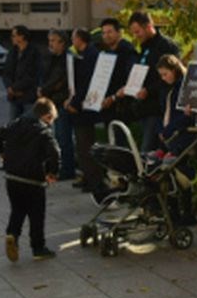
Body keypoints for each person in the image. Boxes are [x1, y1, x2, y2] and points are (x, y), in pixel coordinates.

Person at [0, 97, 61, 262]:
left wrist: (3, 153)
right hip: (33, 179)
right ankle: (38, 247)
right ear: (45, 116)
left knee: (17, 210)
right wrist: (53, 173)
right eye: (50, 119)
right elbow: (55, 153)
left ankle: (12, 235)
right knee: (37, 214)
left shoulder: (15, 124)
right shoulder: (43, 131)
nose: (51, 123)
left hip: (12, 177)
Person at [122, 11, 181, 151]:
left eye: (138, 32)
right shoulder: (144, 47)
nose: (136, 36)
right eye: (133, 33)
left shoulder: (166, 46)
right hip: (145, 107)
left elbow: (172, 77)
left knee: (148, 151)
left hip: (159, 108)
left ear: (149, 26)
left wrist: (148, 90)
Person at [155, 53, 197, 226]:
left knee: (179, 177)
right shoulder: (172, 87)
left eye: (166, 74)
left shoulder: (182, 86)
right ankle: (177, 212)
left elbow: (185, 116)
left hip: (181, 138)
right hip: (173, 137)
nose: (164, 78)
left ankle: (184, 213)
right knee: (172, 176)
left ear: (174, 69)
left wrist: (167, 130)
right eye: (161, 76)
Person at [66, 28, 104, 192]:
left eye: (73, 38)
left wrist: (75, 103)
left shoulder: (90, 55)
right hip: (80, 104)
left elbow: (85, 83)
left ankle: (94, 180)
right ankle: (87, 176)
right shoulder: (82, 54)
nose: (72, 41)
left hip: (85, 107)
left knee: (86, 144)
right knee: (81, 146)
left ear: (80, 39)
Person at [40, 30, 76, 181]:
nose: (50, 44)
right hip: (53, 102)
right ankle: (60, 167)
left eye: (54, 40)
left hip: (62, 102)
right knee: (57, 137)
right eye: (49, 40)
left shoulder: (67, 58)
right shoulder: (51, 57)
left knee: (63, 138)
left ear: (62, 42)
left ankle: (68, 170)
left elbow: (58, 81)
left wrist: (44, 90)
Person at [97, 17, 136, 120]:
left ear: (119, 33)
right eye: (103, 33)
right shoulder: (107, 52)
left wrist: (114, 97)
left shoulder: (128, 51)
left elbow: (131, 79)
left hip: (122, 106)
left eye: (110, 32)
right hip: (107, 105)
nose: (106, 36)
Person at [4, 25, 39, 119]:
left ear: (22, 37)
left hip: (28, 96)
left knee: (28, 125)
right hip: (14, 97)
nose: (12, 38)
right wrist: (9, 88)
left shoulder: (33, 52)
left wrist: (15, 88)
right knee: (13, 125)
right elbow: (6, 72)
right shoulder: (12, 52)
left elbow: (32, 75)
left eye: (14, 35)